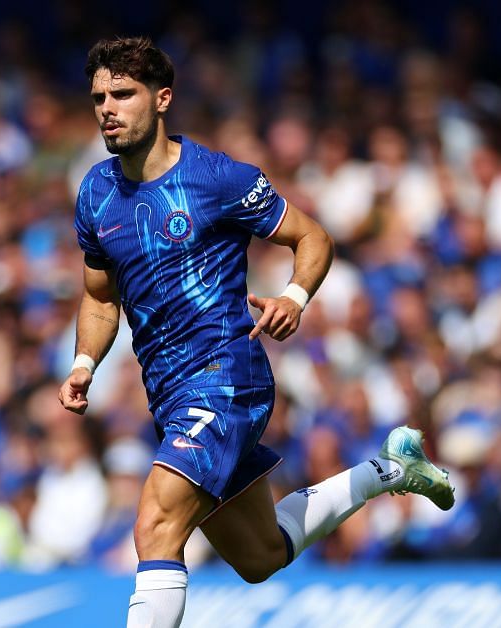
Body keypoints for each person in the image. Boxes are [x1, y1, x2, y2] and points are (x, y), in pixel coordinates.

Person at [58, 37, 455, 628]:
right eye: (98, 98)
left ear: (162, 99)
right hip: (170, 395)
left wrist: (294, 297)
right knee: (259, 555)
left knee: (155, 525)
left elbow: (312, 237)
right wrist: (85, 363)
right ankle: (390, 471)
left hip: (225, 377)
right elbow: (98, 297)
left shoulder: (216, 178)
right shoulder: (95, 192)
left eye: (123, 94)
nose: (108, 109)